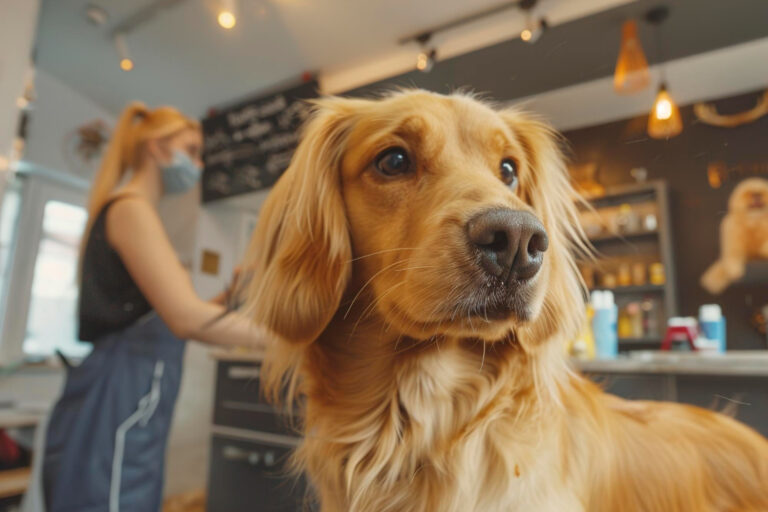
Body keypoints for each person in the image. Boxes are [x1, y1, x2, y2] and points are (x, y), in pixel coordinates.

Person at [41, 102, 268, 512]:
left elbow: (165, 314)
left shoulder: (138, 214)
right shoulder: (130, 210)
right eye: (192, 149)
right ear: (156, 147)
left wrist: (227, 300)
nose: (197, 164)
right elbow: (184, 319)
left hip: (136, 392)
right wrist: (288, 338)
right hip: (119, 389)